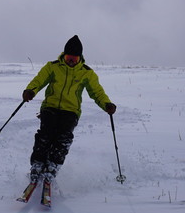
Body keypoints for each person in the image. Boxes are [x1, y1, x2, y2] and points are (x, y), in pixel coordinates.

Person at [22, 35, 116, 183]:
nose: (71, 62)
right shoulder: (52, 67)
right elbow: (39, 81)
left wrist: (106, 104)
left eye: (74, 59)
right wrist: (30, 91)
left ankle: (52, 167)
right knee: (45, 135)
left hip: (71, 111)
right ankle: (37, 165)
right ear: (63, 56)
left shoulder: (86, 73)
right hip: (50, 107)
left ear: (80, 58)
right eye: (68, 58)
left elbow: (96, 92)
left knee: (63, 139)